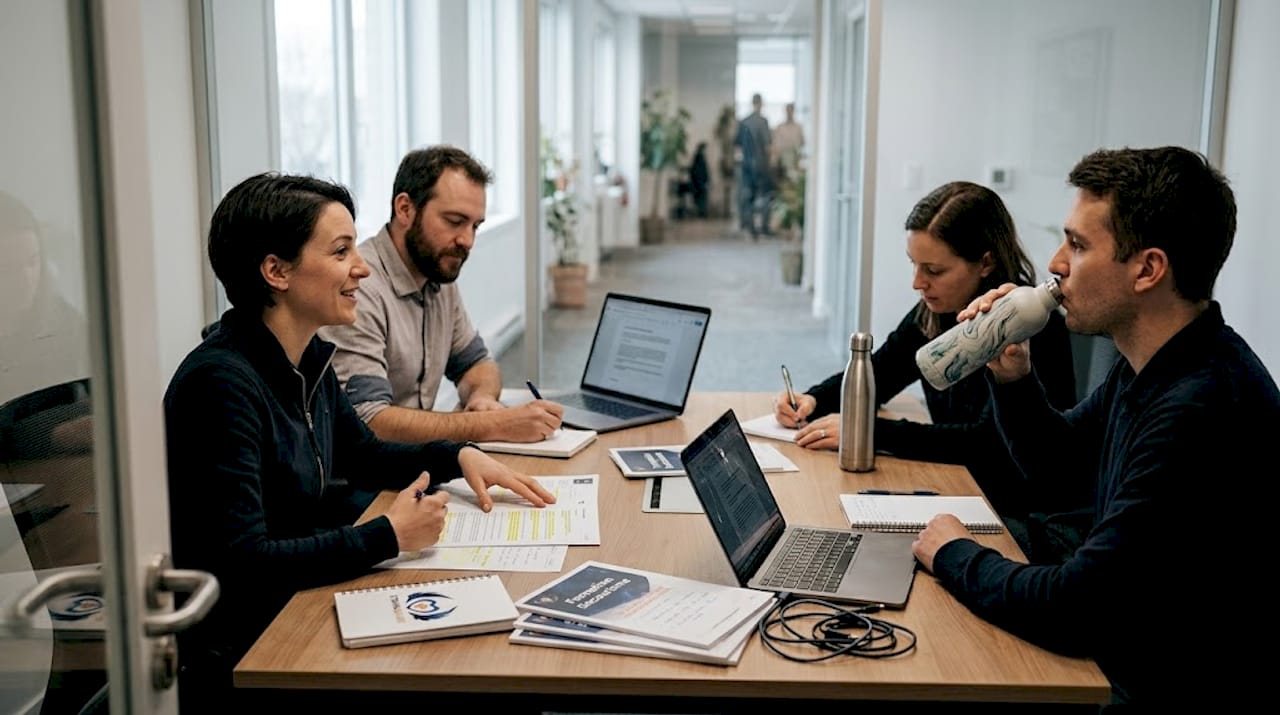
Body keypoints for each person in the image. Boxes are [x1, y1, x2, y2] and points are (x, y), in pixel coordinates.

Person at [163, 172, 557, 711]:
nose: (362, 267)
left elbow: (364, 455)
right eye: (341, 250)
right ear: (276, 271)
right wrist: (387, 536)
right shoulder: (222, 384)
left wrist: (456, 454)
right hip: (255, 646)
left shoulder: (306, 357)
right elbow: (244, 564)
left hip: (305, 595)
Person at [912, 147, 1279, 709]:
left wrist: (957, 555)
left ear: (1148, 269)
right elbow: (1059, 474)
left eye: (1079, 245)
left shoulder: (1201, 403)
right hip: (1125, 662)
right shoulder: (1153, 364)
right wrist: (1014, 379)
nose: (1056, 262)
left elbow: (1077, 608)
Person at [775, 182, 1080, 535]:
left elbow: (985, 446)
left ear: (985, 262)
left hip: (1008, 514)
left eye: (933, 271)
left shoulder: (1030, 329)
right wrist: (813, 399)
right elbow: (881, 370)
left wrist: (869, 433)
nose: (917, 283)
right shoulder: (935, 312)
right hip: (954, 487)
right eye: (914, 265)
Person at [319, 145, 564, 447]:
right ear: (405, 209)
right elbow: (369, 422)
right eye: (454, 221)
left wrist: (482, 398)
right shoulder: (360, 286)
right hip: (369, 482)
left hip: (417, 467)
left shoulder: (437, 274)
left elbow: (477, 364)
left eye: (475, 225)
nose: (467, 240)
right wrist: (491, 423)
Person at [734, 93, 773, 238]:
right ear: (761, 103)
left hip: (746, 166)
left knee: (747, 197)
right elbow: (768, 146)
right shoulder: (763, 122)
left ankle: (749, 227)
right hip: (761, 166)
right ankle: (763, 227)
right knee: (764, 196)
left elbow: (737, 146)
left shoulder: (743, 122)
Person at [771, 102, 805, 180]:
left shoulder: (798, 127)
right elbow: (774, 145)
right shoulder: (780, 127)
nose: (789, 113)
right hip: (781, 163)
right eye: (787, 111)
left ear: (793, 112)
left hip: (794, 161)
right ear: (785, 112)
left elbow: (802, 143)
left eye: (791, 111)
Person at [688, 141, 710, 218]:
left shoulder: (699, 157)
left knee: (700, 198)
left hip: (699, 182)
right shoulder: (699, 157)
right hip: (699, 182)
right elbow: (700, 171)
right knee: (701, 198)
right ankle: (701, 213)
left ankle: (701, 213)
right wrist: (704, 181)